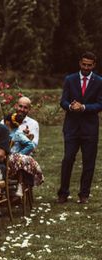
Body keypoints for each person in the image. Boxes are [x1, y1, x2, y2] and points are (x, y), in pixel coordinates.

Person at [58, 51, 102, 204]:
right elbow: (63, 101)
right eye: (84, 64)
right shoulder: (70, 79)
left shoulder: (99, 81)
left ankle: (84, 194)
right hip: (71, 127)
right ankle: (63, 193)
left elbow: (100, 104)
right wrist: (70, 106)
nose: (86, 67)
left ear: (94, 65)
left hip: (90, 129)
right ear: (79, 63)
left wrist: (83, 107)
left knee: (89, 162)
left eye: (89, 65)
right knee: (68, 159)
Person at [3, 113, 45, 197]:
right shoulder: (10, 133)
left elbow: (31, 145)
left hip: (14, 160)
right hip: (9, 160)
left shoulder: (17, 134)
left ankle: (20, 184)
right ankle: (18, 186)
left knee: (19, 161)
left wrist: (19, 154)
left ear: (7, 123)